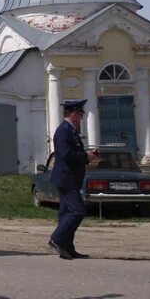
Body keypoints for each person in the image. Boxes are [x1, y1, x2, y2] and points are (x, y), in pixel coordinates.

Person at [49, 99, 99, 260]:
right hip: (66, 178)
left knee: (66, 213)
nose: (81, 119)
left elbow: (74, 154)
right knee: (78, 210)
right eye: (80, 115)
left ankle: (67, 248)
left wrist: (88, 156)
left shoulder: (70, 131)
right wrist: (85, 155)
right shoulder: (63, 131)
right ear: (74, 115)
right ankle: (56, 238)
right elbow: (65, 155)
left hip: (71, 178)